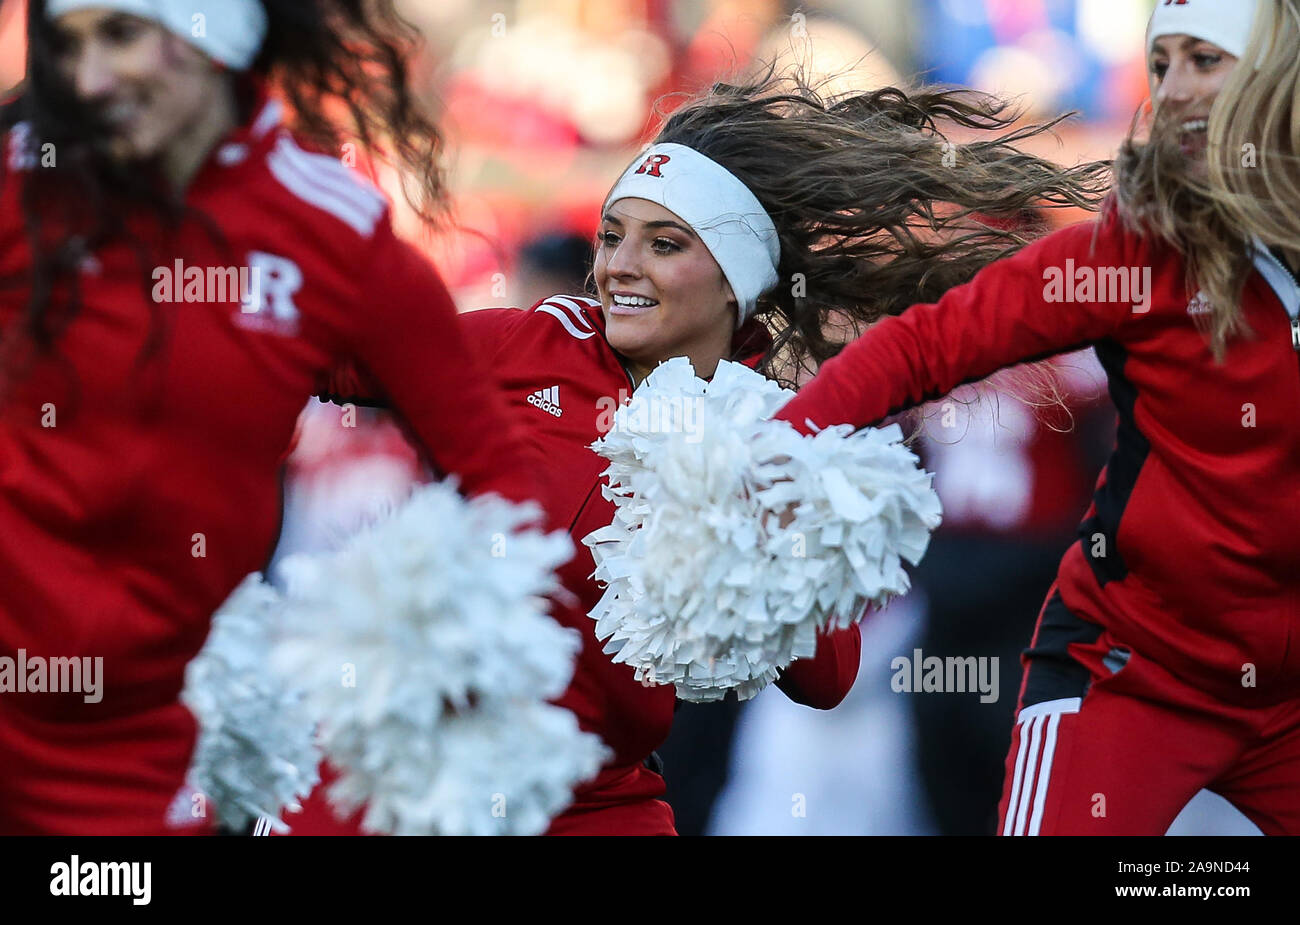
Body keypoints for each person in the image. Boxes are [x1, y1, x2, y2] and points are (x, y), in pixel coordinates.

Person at [325, 71, 1100, 836]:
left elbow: (826, 679)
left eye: (663, 243)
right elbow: (323, 354)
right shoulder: (525, 340)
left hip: (597, 796)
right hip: (408, 763)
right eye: (610, 236)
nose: (619, 266)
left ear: (737, 282)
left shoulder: (777, 431)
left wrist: (779, 538)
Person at [0, 0, 547, 835]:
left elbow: (497, 478)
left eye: (120, 36)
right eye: (69, 44)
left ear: (211, 33)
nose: (88, 79)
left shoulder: (333, 230)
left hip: (141, 748)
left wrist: (461, 659)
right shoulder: (21, 179)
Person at [774, 0, 1300, 835]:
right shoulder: (1132, 254)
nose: (1175, 90)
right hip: (1133, 668)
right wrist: (773, 446)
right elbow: (927, 345)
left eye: (1207, 58)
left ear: (1280, 74)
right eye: (1160, 65)